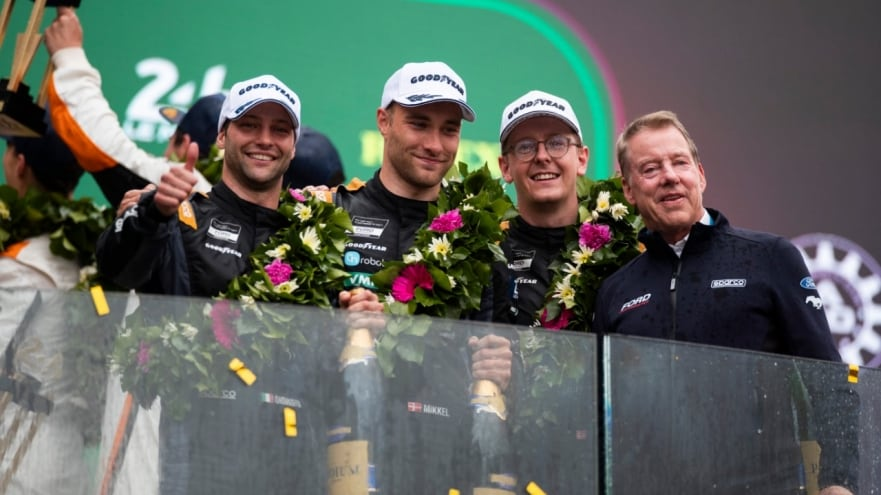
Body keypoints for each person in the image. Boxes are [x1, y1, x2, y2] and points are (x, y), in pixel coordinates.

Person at [593, 110, 856, 494]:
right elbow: (603, 414)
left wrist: (839, 482)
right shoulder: (616, 290)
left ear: (700, 174)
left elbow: (828, 377)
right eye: (650, 168)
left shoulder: (769, 257)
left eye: (679, 162)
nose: (669, 176)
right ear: (629, 191)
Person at [96, 74, 323, 494]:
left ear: (293, 146)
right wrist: (151, 213)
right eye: (249, 125)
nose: (265, 140)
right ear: (222, 135)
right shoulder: (181, 217)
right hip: (189, 460)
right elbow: (117, 270)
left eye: (279, 129)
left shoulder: (311, 236)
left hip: (286, 465)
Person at [330, 61, 514, 492]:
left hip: (445, 456)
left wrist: (508, 366)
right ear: (384, 121)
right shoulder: (334, 213)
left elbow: (492, 345)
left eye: (449, 129)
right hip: (350, 448)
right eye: (418, 123)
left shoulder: (478, 232)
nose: (435, 144)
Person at [489, 90, 594, 493]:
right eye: (525, 146)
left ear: (581, 157)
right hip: (507, 467)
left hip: (601, 465)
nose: (543, 156)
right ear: (506, 166)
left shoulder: (625, 250)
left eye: (556, 142)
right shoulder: (480, 255)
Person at [44, 6, 214, 208]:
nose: (168, 139)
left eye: (175, 134)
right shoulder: (240, 208)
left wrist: (69, 55)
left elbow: (104, 148)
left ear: (186, 145)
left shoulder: (184, 185)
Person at [0, 121, 91, 494]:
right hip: (70, 455)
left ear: (19, 164)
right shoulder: (94, 252)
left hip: (16, 454)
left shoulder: (22, 265)